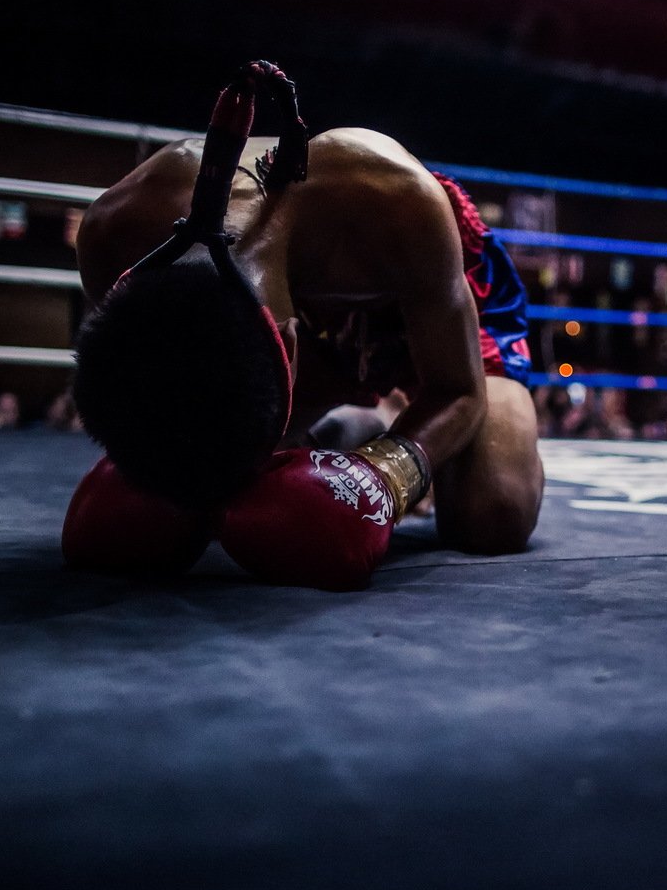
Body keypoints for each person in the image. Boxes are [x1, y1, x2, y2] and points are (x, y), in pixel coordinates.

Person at [63, 63, 541, 590]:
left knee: (494, 511)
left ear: (286, 350)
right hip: (307, 341)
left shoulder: (392, 196)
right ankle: (361, 415)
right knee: (166, 491)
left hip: (436, 308)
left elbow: (458, 390)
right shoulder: (113, 234)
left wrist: (382, 477)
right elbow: (161, 391)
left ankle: (376, 418)